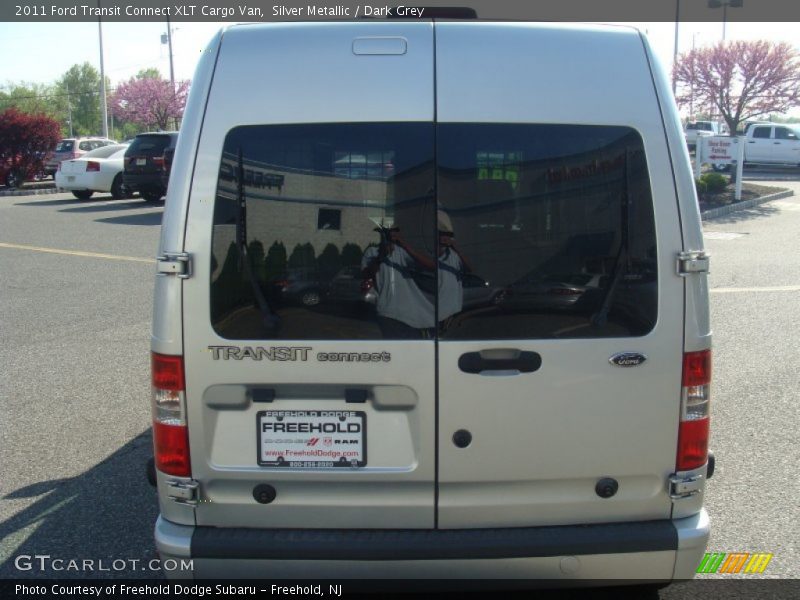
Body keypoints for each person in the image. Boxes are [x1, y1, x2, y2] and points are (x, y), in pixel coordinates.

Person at [362, 225, 435, 339]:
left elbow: (431, 266)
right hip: (388, 311)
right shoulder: (372, 252)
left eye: (394, 231)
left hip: (409, 312)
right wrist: (380, 257)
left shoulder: (402, 252)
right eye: (387, 231)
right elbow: (366, 274)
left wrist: (404, 244)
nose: (391, 234)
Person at [437, 211, 472, 327]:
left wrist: (455, 247)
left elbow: (470, 269)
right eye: (442, 234)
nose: (445, 237)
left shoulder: (454, 255)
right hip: (437, 312)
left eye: (448, 235)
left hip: (454, 312)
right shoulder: (430, 254)